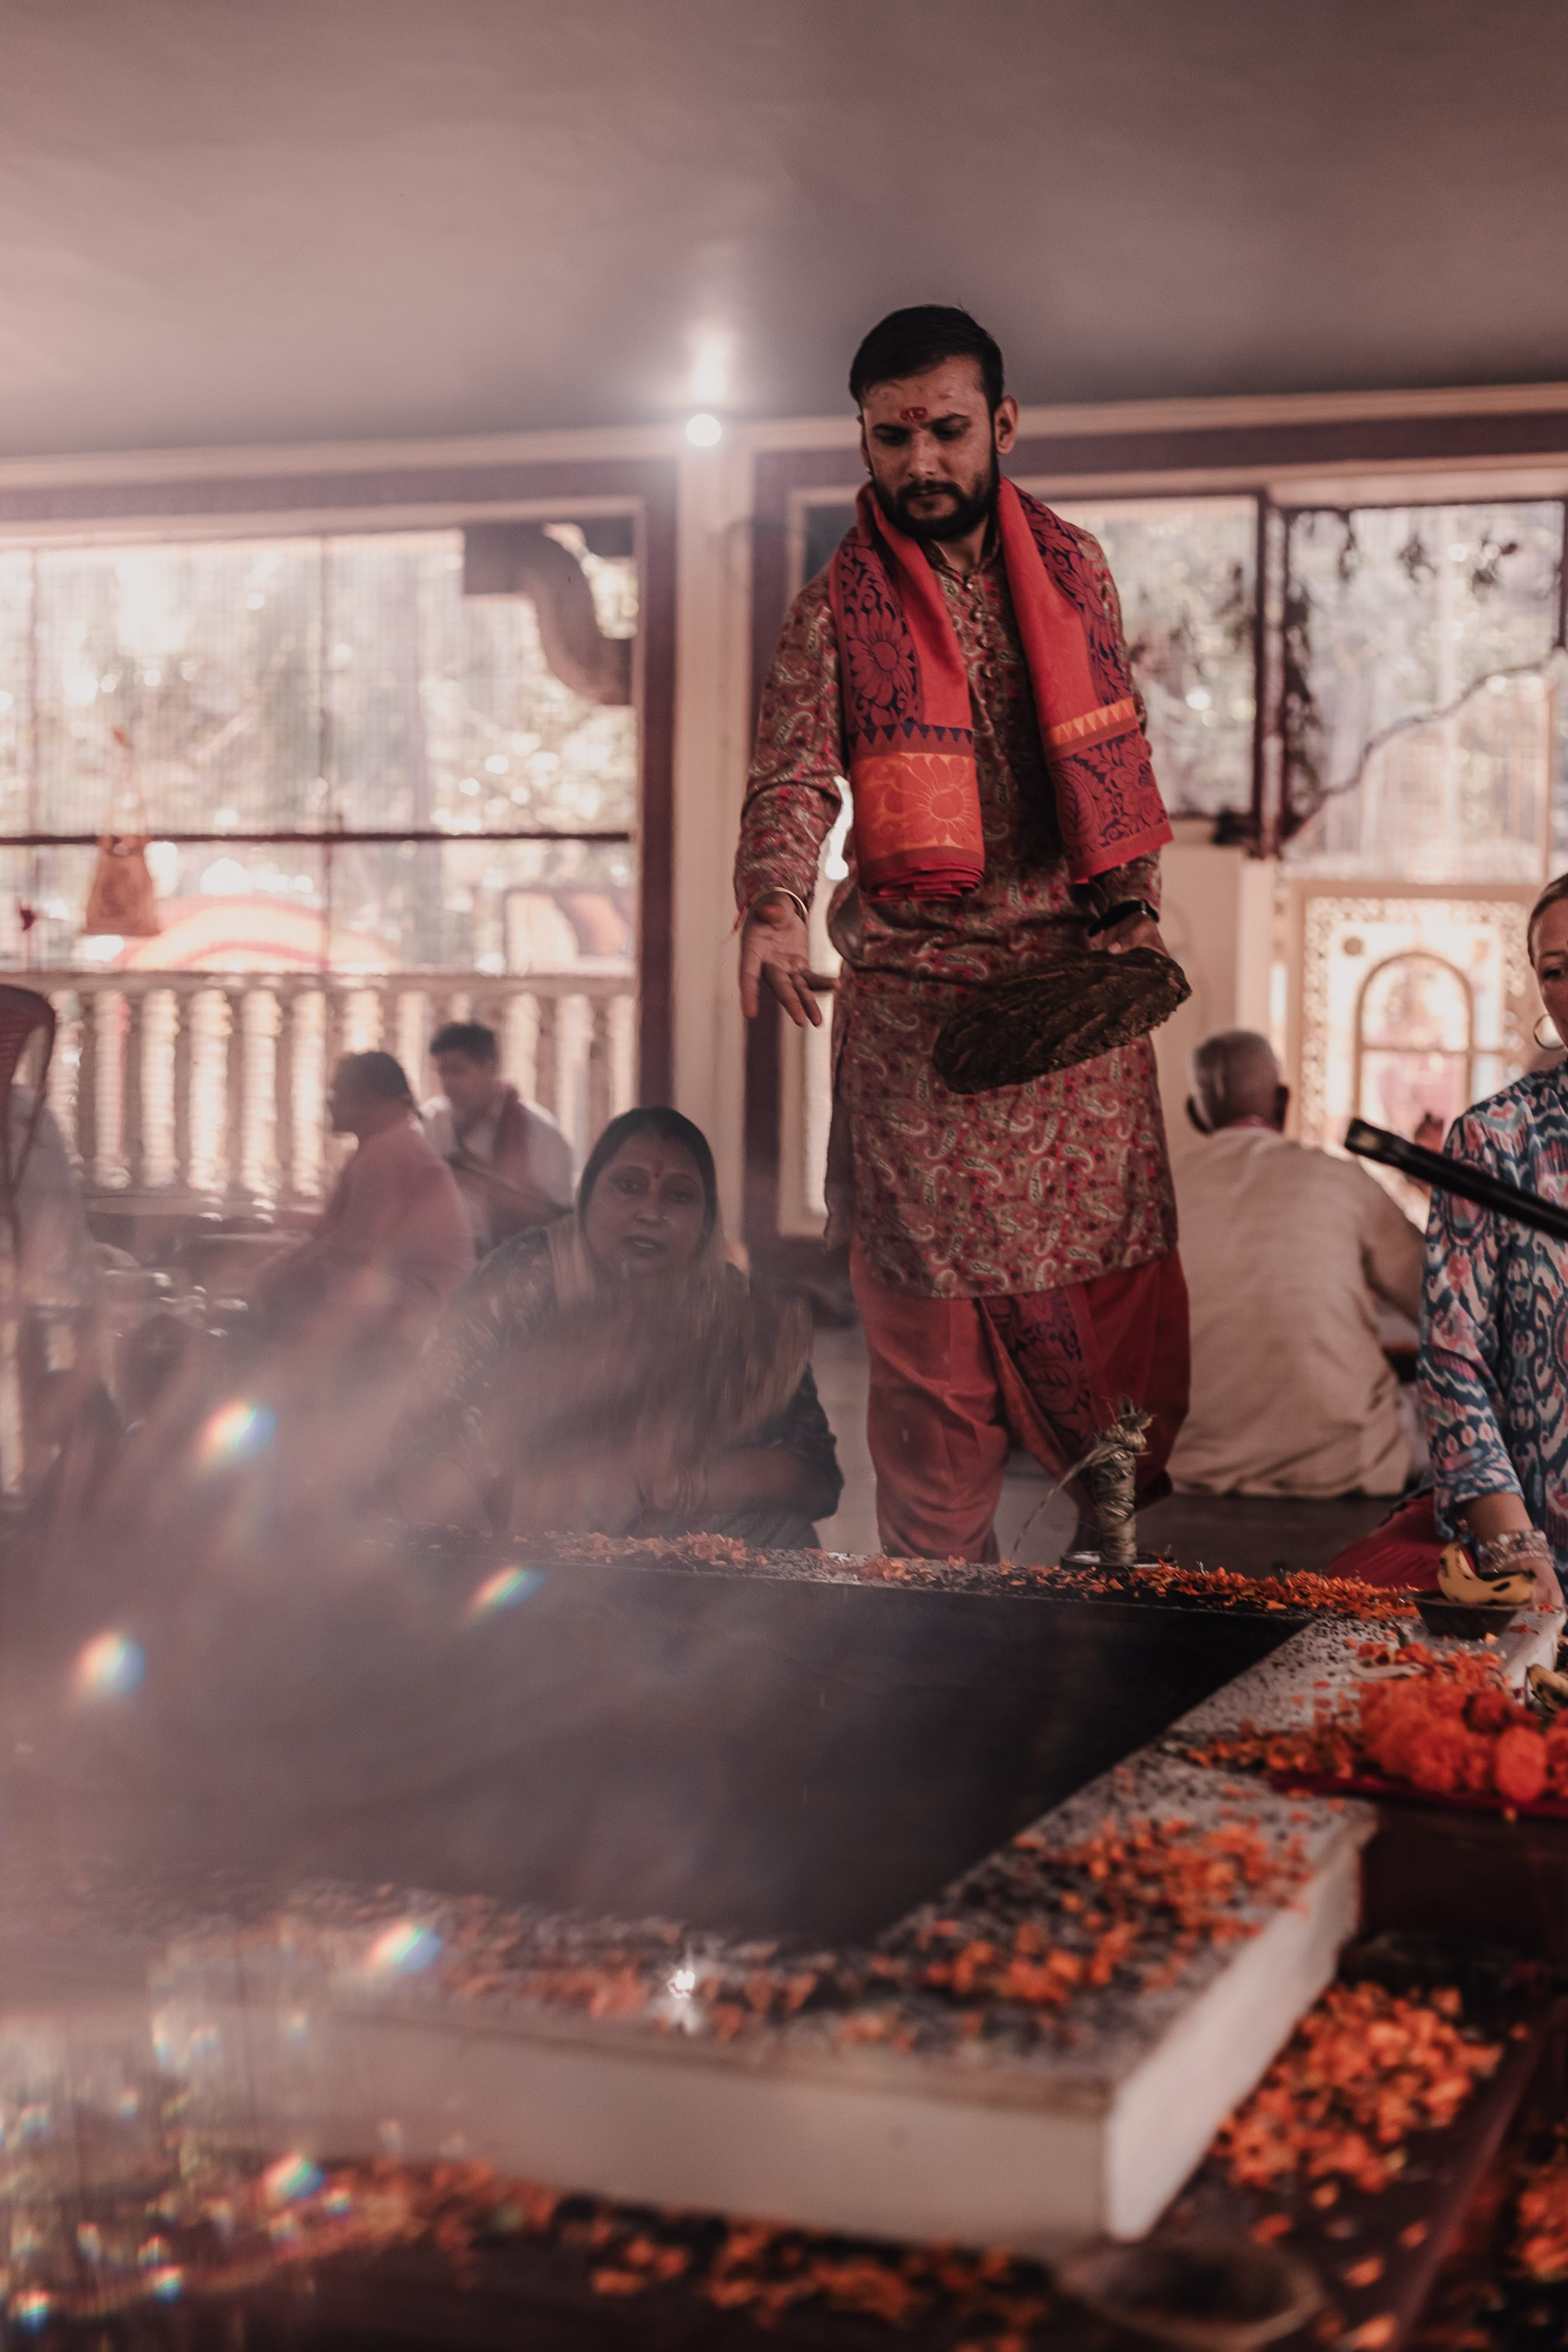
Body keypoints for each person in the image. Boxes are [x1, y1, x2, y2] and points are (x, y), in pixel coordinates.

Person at [733, 304, 1188, 1562]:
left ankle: (1109, 1587)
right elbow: (790, 777)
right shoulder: (833, 608)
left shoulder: (1077, 566)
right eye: (892, 436)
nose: (919, 460)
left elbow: (1117, 750)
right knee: (929, 1352)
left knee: (1110, 1325)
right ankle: (938, 1630)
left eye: (944, 429)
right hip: (917, 1022)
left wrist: (1135, 910)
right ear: (862, 438)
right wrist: (771, 902)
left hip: (1070, 1008)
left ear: (1001, 422)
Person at [394, 1106, 842, 1549]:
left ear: (707, 1219)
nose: (650, 1211)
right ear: (588, 1195)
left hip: (674, 1537)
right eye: (627, 1186)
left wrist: (684, 1486)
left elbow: (816, 1474)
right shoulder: (526, 1276)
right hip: (522, 1537)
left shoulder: (732, 1306)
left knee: (788, 1538)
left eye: (679, 1195)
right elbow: (424, 1432)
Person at [1329, 876, 1568, 1605]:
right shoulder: (1496, 1139)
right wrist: (1523, 1565)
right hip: (1543, 1556)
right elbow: (1452, 1365)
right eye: (1554, 969)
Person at [1167, 1031, 1423, 1497]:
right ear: (1283, 1101)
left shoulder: (1160, 1193)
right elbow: (1438, 1305)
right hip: (1349, 1465)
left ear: (1193, 1114)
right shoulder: (1342, 1178)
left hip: (1194, 1465)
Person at [260, 1051, 474, 1346]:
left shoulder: (387, 1151)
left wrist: (277, 1273)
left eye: (337, 1091)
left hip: (416, 1313)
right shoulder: (392, 1144)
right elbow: (339, 1229)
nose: (330, 1101)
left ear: (366, 1096)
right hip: (421, 1302)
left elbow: (357, 1247)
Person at [420, 1020, 574, 1253]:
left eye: (459, 1070)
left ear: (491, 1067)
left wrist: (478, 1181)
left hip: (516, 1263)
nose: (449, 1082)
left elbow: (558, 1220)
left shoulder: (541, 1133)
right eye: (443, 1072)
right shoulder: (432, 1121)